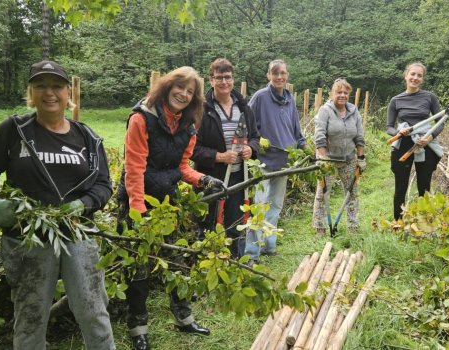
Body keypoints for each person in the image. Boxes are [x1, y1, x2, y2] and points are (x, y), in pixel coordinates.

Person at [0, 60, 115, 350]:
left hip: (77, 235)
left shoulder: (87, 137)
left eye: (57, 86)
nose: (50, 93)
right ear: (31, 93)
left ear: (68, 92)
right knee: (30, 315)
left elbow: (104, 184)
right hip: (27, 241)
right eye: (40, 86)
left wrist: (84, 203)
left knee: (93, 312)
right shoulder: (13, 130)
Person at [116, 66, 225, 350]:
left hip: (168, 201)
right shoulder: (143, 118)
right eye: (180, 87)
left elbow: (181, 166)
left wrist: (204, 179)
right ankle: (137, 327)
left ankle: (183, 318)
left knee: (178, 260)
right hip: (137, 199)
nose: (184, 94)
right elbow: (134, 169)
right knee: (139, 268)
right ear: (167, 87)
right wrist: (137, 212)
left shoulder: (188, 125)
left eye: (190, 92)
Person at [191, 58, 260, 258]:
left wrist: (251, 149)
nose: (224, 82)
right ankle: (205, 267)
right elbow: (193, 149)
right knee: (208, 225)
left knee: (235, 225)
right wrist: (219, 156)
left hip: (239, 179)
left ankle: (233, 265)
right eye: (218, 78)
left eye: (227, 77)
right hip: (210, 180)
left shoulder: (244, 107)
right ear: (211, 80)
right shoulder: (200, 110)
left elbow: (255, 136)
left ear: (233, 79)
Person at [245, 59, 307, 263]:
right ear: (268, 76)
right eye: (275, 73)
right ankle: (252, 253)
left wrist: (305, 147)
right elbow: (247, 124)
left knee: (275, 205)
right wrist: (255, 142)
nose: (279, 77)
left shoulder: (289, 99)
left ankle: (269, 246)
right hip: (263, 161)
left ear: (287, 75)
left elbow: (296, 131)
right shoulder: (260, 97)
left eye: (283, 73)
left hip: (284, 161)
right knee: (260, 205)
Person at [386, 62, 444, 221]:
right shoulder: (396, 100)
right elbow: (389, 127)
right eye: (413, 74)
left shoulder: (430, 97)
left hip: (424, 144)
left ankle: (424, 223)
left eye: (419, 75)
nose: (415, 78)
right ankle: (398, 223)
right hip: (403, 144)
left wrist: (429, 138)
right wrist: (398, 132)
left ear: (422, 79)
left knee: (424, 187)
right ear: (406, 76)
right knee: (400, 187)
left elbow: (440, 122)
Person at [311, 78, 366, 236]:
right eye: (339, 92)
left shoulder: (354, 111)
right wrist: (322, 158)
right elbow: (320, 135)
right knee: (322, 193)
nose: (342, 95)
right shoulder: (325, 110)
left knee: (352, 193)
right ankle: (320, 227)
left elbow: (359, 136)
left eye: (345, 92)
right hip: (328, 159)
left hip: (349, 158)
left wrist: (361, 158)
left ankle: (352, 226)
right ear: (332, 93)